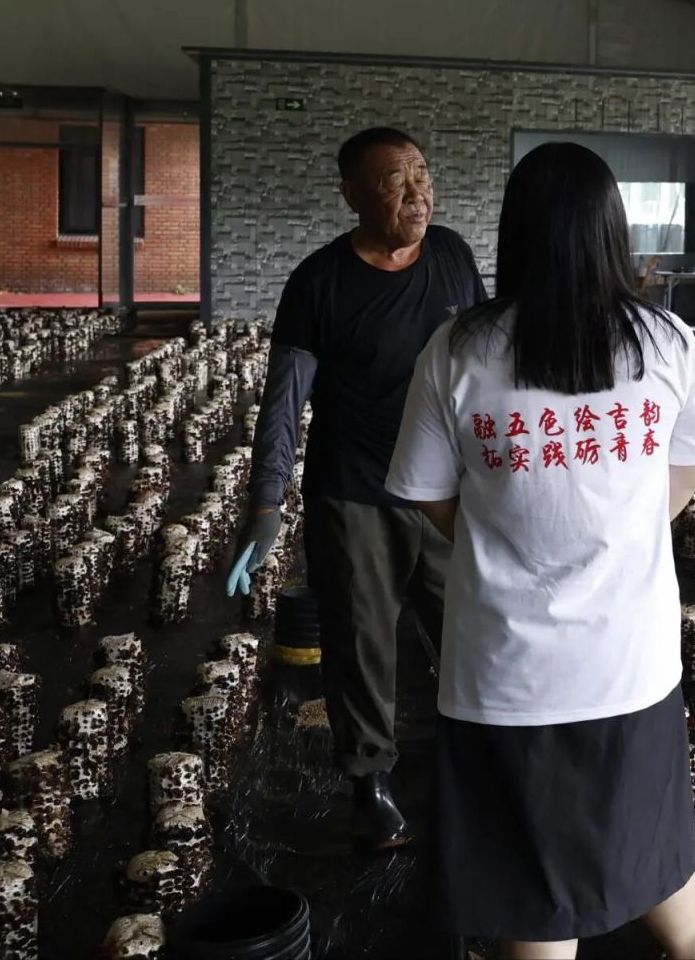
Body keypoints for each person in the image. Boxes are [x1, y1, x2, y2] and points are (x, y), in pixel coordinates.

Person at [384, 142, 695, 960]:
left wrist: (507, 535)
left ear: (516, 233)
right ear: (613, 231)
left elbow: (428, 493)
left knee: (534, 892)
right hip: (632, 662)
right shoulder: (664, 341)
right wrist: (626, 528)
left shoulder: (458, 350)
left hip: (509, 675)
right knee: (653, 841)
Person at [225, 127, 485, 848]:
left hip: (446, 490)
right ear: (352, 195)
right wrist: (266, 505)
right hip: (356, 491)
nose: (416, 193)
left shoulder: (453, 257)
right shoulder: (319, 283)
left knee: (472, 628)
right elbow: (285, 402)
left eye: (422, 174)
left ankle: (477, 761)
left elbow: (487, 363)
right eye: (393, 180)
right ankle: (370, 781)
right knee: (362, 641)